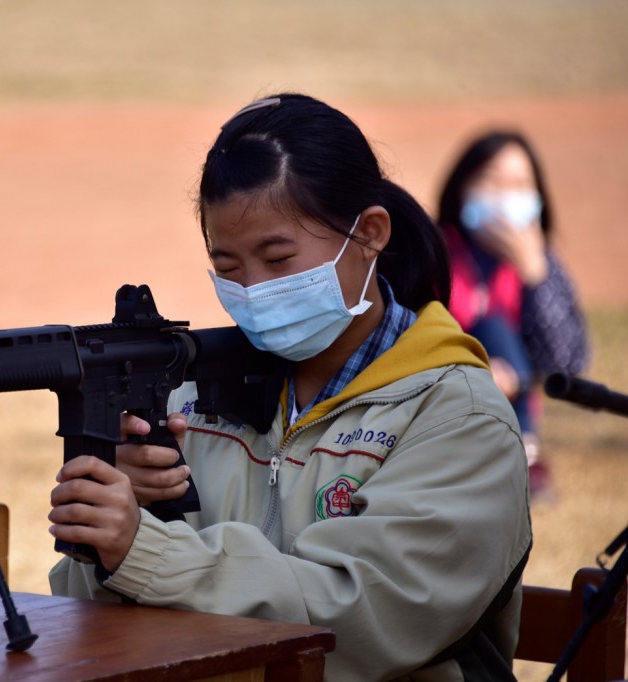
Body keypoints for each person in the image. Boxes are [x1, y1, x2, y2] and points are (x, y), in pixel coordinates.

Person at [48, 93, 532, 681]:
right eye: (228, 269)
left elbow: (360, 616)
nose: (253, 290)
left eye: (278, 259)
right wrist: (116, 509)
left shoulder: (458, 416)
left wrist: (145, 551)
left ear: (369, 234)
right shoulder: (188, 402)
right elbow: (87, 622)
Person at [436, 130, 589, 497]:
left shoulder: (545, 265)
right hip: (446, 396)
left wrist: (535, 274)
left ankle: (524, 452)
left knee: (496, 326)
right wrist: (473, 369)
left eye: (519, 184)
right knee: (486, 326)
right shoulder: (435, 252)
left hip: (514, 399)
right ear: (462, 187)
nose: (505, 196)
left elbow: (567, 365)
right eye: (492, 181)